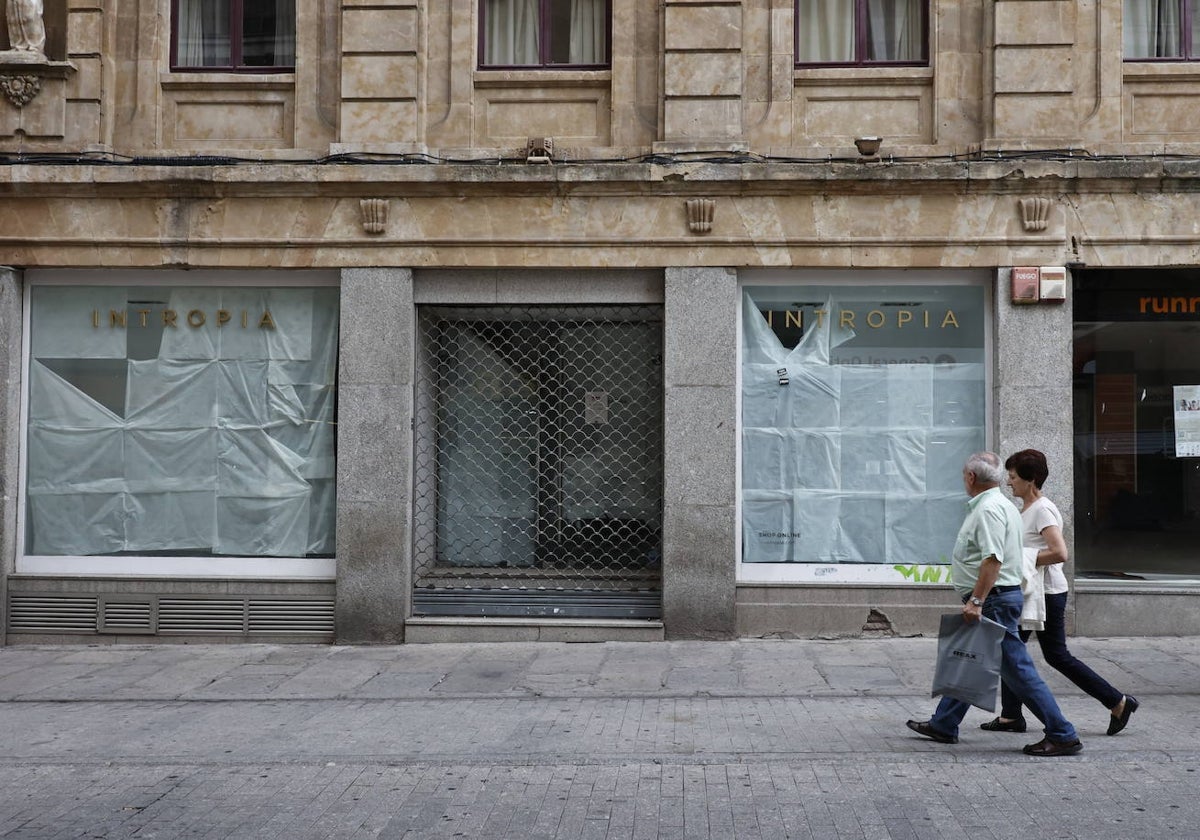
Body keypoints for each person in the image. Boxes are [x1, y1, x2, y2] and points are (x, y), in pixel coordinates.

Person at [906, 451, 1083, 756]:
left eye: (964, 474)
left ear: (971, 477)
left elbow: (993, 559)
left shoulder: (988, 510)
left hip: (993, 601)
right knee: (970, 661)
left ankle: (1063, 733)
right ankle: (944, 723)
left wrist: (976, 600)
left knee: (1019, 672)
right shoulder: (1003, 505)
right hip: (998, 599)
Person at [978, 449, 1139, 736]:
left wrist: (1020, 557)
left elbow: (1059, 552)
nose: (1009, 482)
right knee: (1010, 651)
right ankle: (1011, 716)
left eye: (1013, 477)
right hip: (1032, 591)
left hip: (1048, 593)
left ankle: (1118, 702)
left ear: (1031, 480)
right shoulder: (1024, 509)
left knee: (1052, 654)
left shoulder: (1043, 509)